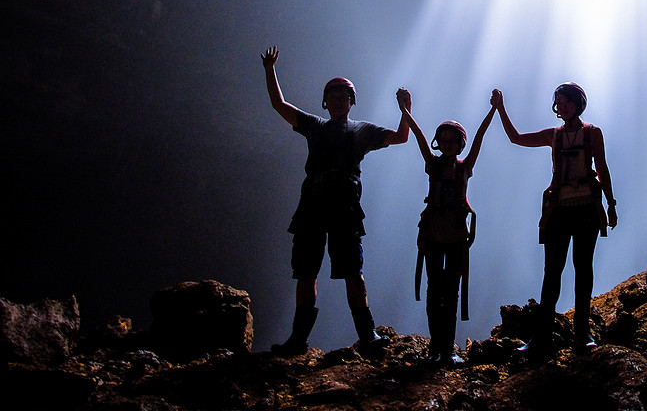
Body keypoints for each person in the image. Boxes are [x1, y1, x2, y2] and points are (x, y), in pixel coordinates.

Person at [261, 46, 411, 355]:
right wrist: (269, 69)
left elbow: (400, 137)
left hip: (344, 209)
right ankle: (298, 340)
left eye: (344, 97)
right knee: (305, 272)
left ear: (351, 102)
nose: (339, 102)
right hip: (312, 207)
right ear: (326, 102)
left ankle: (368, 336)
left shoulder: (362, 131)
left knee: (352, 272)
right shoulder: (316, 127)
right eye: (334, 97)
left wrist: (405, 111)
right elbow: (279, 104)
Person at [491, 83, 617, 359]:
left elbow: (603, 167)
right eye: (558, 102)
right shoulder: (554, 136)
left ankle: (582, 334)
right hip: (558, 209)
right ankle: (541, 338)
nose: (562, 107)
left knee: (583, 270)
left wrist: (611, 204)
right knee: (552, 273)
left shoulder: (593, 133)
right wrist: (500, 109)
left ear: (578, 104)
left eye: (566, 102)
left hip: (586, 208)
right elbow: (516, 138)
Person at [396, 92, 496, 366]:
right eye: (444, 140)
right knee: (434, 290)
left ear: (460, 144)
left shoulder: (464, 167)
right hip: (434, 237)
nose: (448, 145)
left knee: (449, 292)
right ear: (439, 143)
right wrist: (405, 110)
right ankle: (436, 349)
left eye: (453, 141)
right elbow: (417, 135)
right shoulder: (434, 165)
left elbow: (480, 136)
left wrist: (494, 111)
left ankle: (445, 349)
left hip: (454, 239)